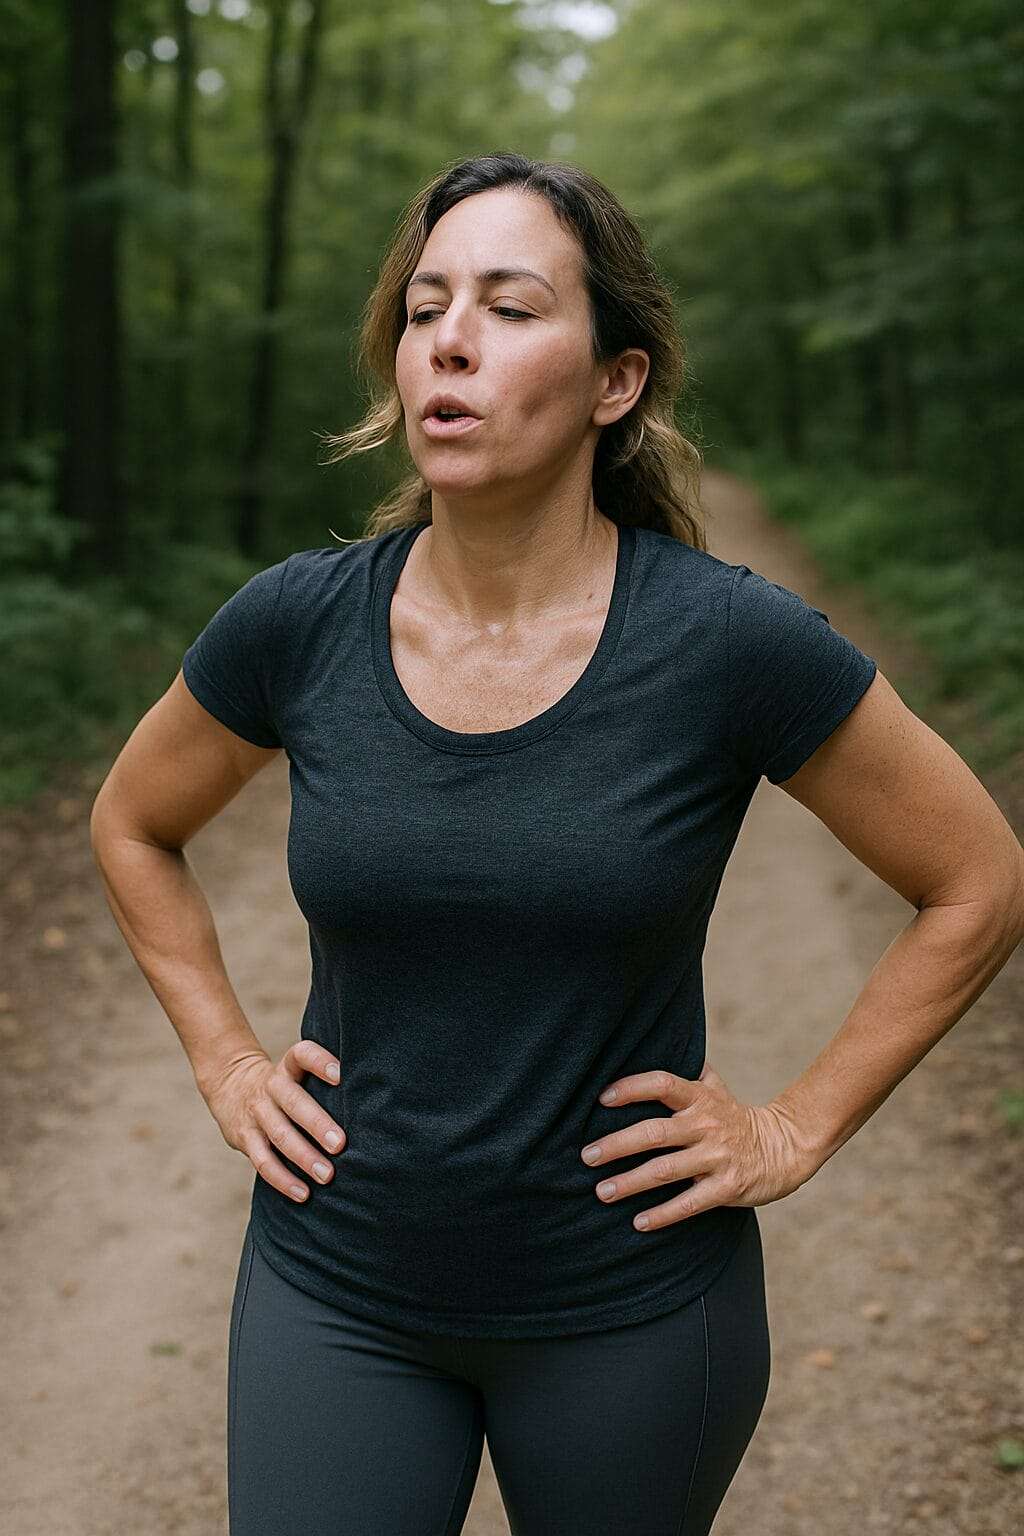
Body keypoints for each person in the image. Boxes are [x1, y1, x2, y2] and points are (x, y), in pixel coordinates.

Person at [89, 152, 1024, 1536]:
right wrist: (225, 1058)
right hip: (336, 1293)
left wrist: (791, 1125)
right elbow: (133, 824)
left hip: (632, 1315)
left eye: (512, 308)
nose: (450, 340)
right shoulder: (298, 623)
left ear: (616, 382)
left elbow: (979, 878)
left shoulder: (723, 642)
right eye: (425, 308)